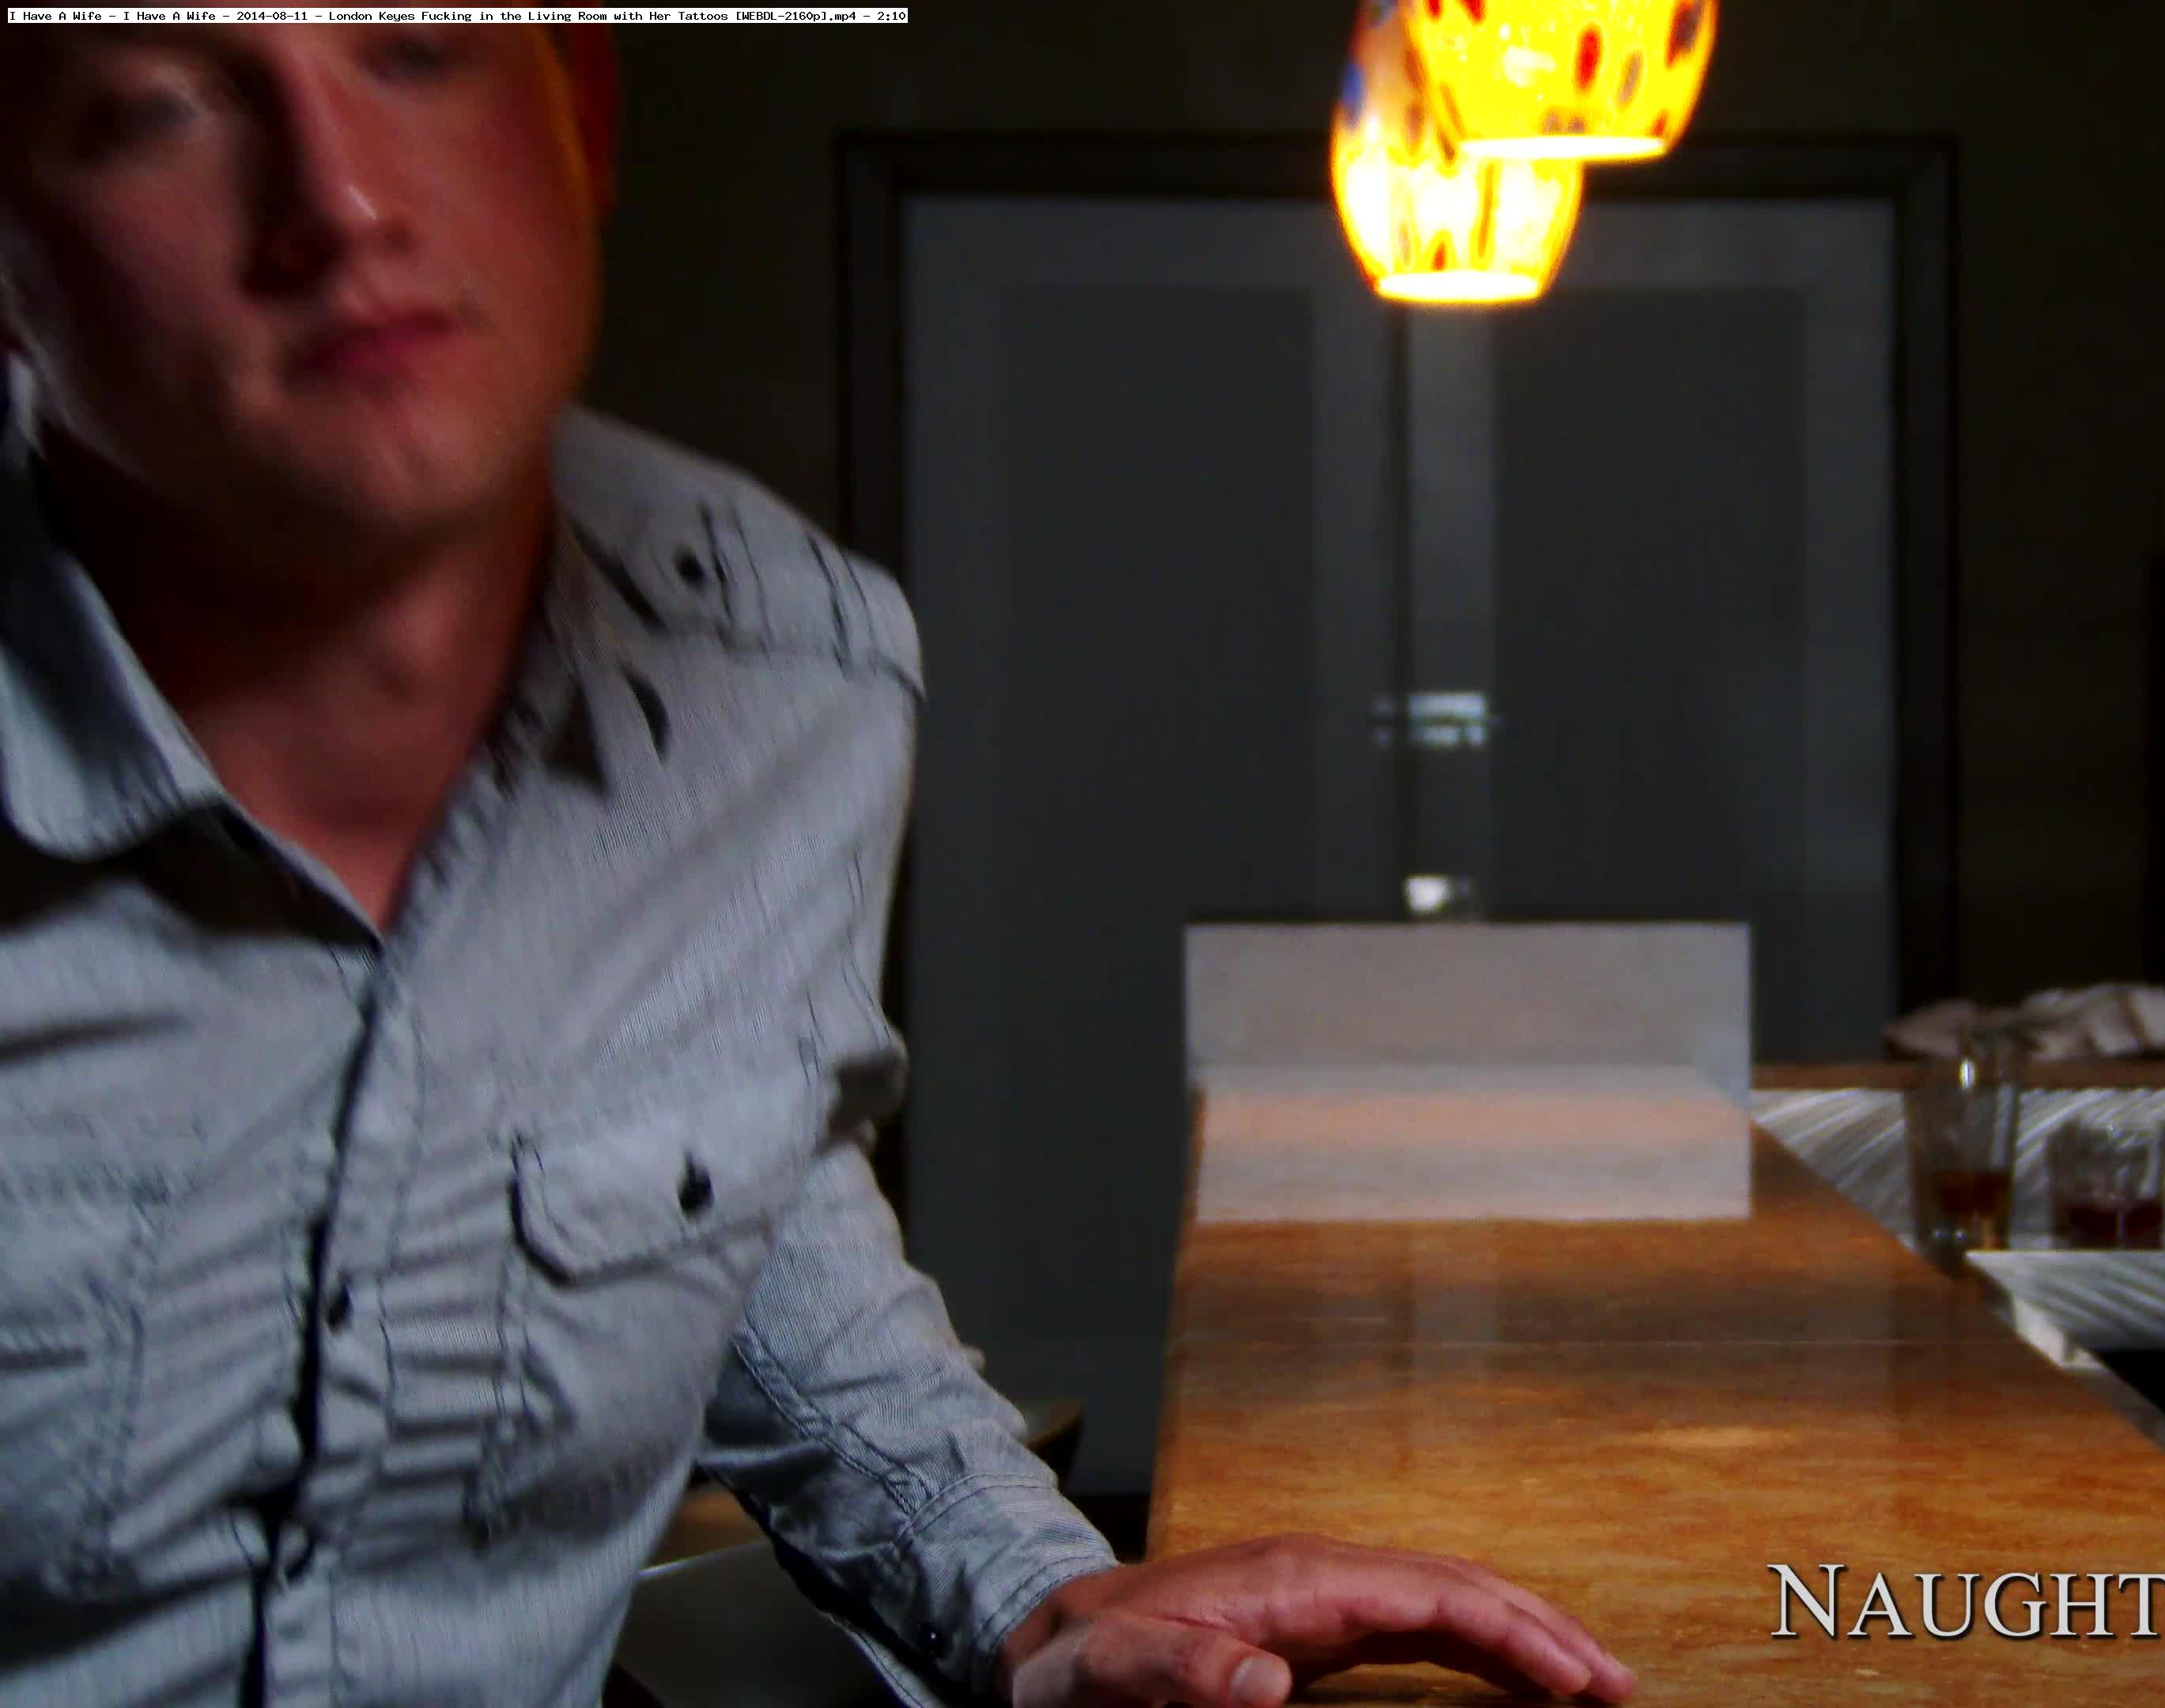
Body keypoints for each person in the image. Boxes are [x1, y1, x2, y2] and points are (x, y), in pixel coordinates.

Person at [0, 16, 1638, 1708]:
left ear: (584, 111)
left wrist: (1035, 1598)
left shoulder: (785, 671)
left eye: (419, 48)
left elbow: (728, 1171)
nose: (338, 202)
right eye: (159, 101)